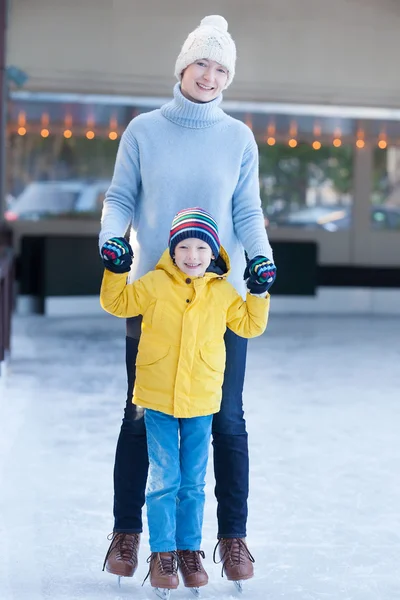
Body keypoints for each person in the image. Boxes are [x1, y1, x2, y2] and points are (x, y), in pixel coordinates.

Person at [99, 14, 277, 585]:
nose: (211, 75)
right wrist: (111, 243)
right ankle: (127, 533)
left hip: (218, 297)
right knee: (139, 415)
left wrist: (259, 256)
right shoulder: (143, 131)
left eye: (222, 68)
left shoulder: (238, 138)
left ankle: (231, 539)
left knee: (226, 419)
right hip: (154, 296)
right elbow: (120, 196)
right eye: (203, 62)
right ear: (182, 65)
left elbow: (247, 210)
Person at [100, 208, 272, 593]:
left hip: (201, 402)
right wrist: (116, 269)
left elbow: (250, 325)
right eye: (183, 247)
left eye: (200, 247)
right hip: (157, 400)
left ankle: (189, 551)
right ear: (172, 251)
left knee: (192, 482)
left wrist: (259, 290)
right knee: (164, 480)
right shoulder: (154, 284)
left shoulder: (223, 292)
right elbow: (118, 304)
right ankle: (163, 555)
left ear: (213, 253)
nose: (192, 255)